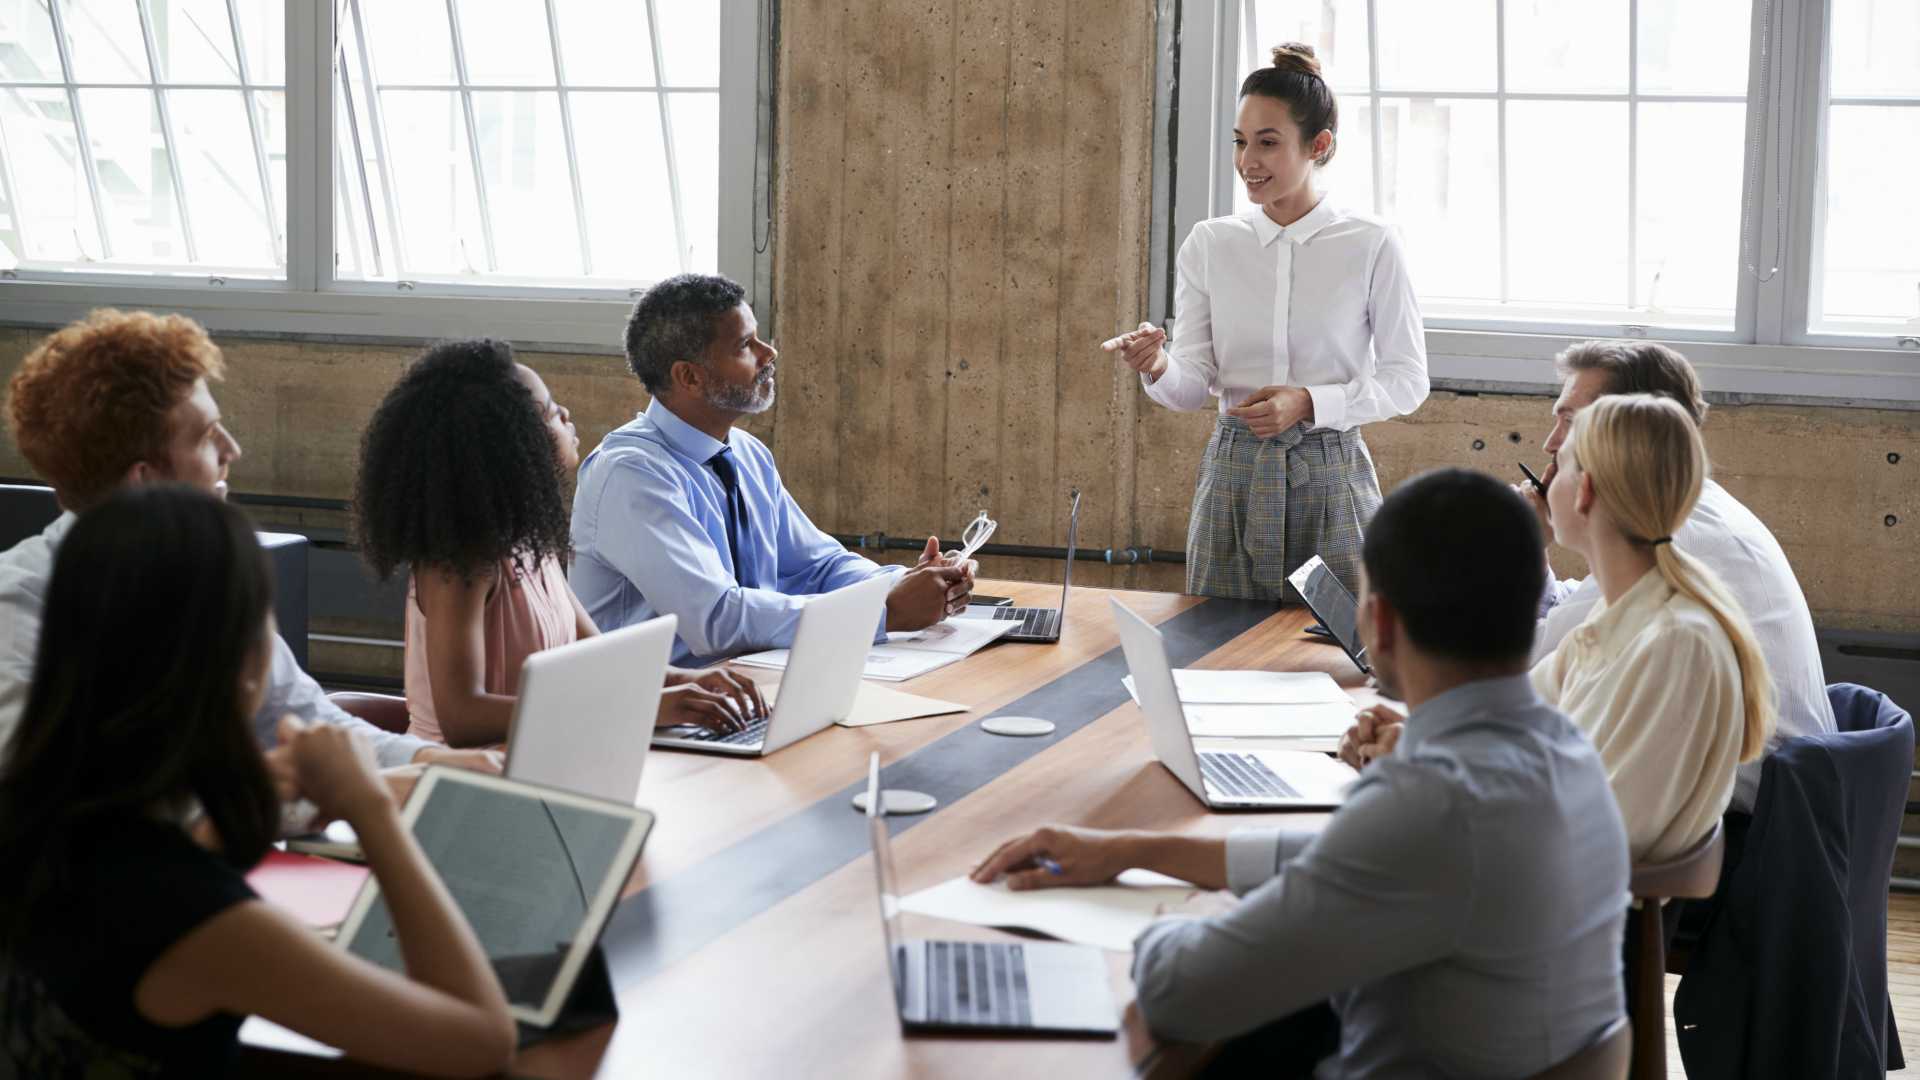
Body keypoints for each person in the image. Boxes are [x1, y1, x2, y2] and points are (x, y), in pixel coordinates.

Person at [972, 469, 1628, 1077]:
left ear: (1380, 622)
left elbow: (1179, 995)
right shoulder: (1566, 748)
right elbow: (1344, 860)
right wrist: (1134, 851)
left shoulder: (1430, 804)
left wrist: (1174, 917)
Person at [0, 487, 515, 1077]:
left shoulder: (43, 823)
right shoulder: (196, 919)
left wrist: (246, 805)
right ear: (244, 668)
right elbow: (482, 1040)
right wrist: (371, 810)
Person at [0, 309, 493, 775]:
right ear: (144, 482)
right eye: (206, 436)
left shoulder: (206, 576)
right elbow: (64, 797)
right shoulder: (18, 609)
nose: (232, 449)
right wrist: (319, 794)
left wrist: (443, 764)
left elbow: (308, 721)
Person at [1102, 43, 1427, 600]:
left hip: (1332, 479)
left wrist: (1308, 402)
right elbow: (1191, 387)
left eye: (1268, 143)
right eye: (1240, 141)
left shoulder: (1371, 243)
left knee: (1340, 644)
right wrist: (1157, 365)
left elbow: (1407, 380)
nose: (1247, 160)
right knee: (1216, 641)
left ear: (1319, 145)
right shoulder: (1211, 243)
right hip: (1233, 479)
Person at [352, 338, 766, 747]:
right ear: (510, 444)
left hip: (540, 757)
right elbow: (463, 719)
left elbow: (602, 660)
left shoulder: (531, 544)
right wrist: (643, 706)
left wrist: (689, 682)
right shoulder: (459, 564)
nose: (566, 414)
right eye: (550, 412)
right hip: (462, 773)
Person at [570, 273, 975, 665]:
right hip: (660, 700)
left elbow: (818, 566)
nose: (769, 353)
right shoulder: (632, 474)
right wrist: (884, 611)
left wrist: (908, 583)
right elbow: (716, 618)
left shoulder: (745, 452)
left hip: (748, 680)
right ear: (689, 376)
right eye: (745, 345)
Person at [1519, 339, 1832, 811]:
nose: (1550, 445)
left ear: (1624, 435)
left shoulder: (1677, 540)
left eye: (1569, 424)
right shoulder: (1682, 516)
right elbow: (1563, 655)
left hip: (1735, 822)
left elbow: (1530, 674)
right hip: (1731, 802)